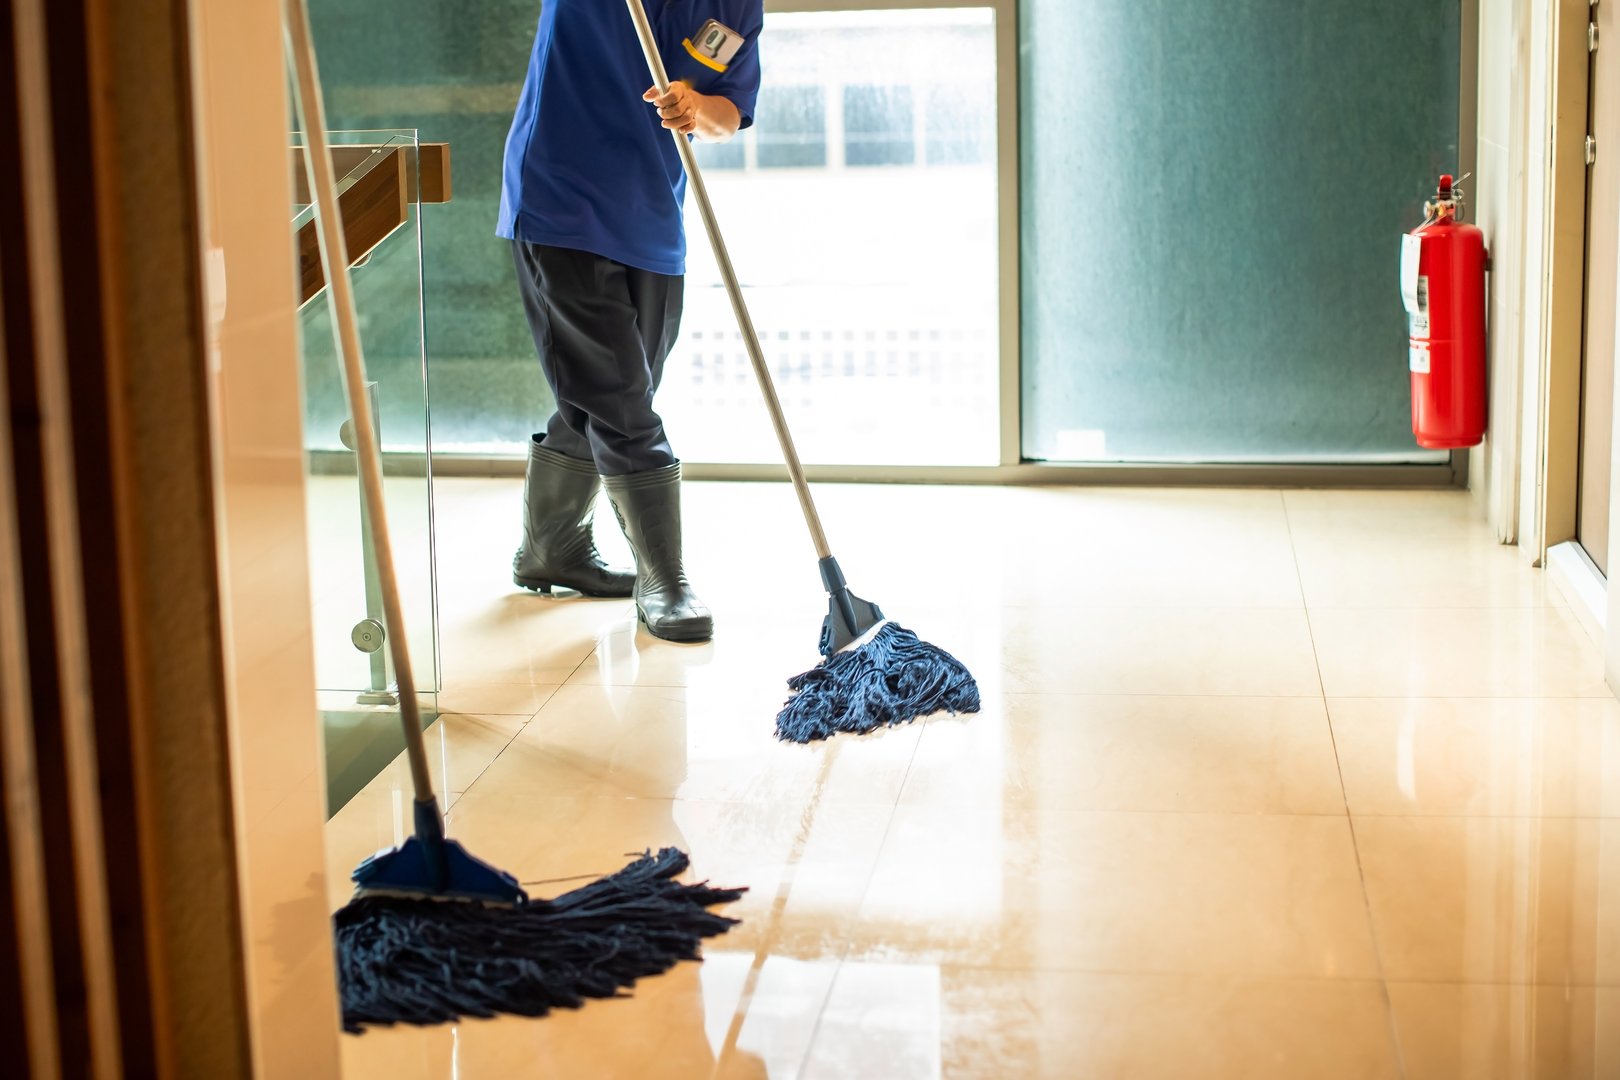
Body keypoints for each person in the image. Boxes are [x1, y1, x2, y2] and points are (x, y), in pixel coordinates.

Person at [498, 1, 764, 644]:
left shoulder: (735, 6)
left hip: (651, 217)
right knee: (620, 399)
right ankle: (664, 580)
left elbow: (730, 112)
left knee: (608, 393)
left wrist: (695, 107)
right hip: (561, 202)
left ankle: (552, 549)